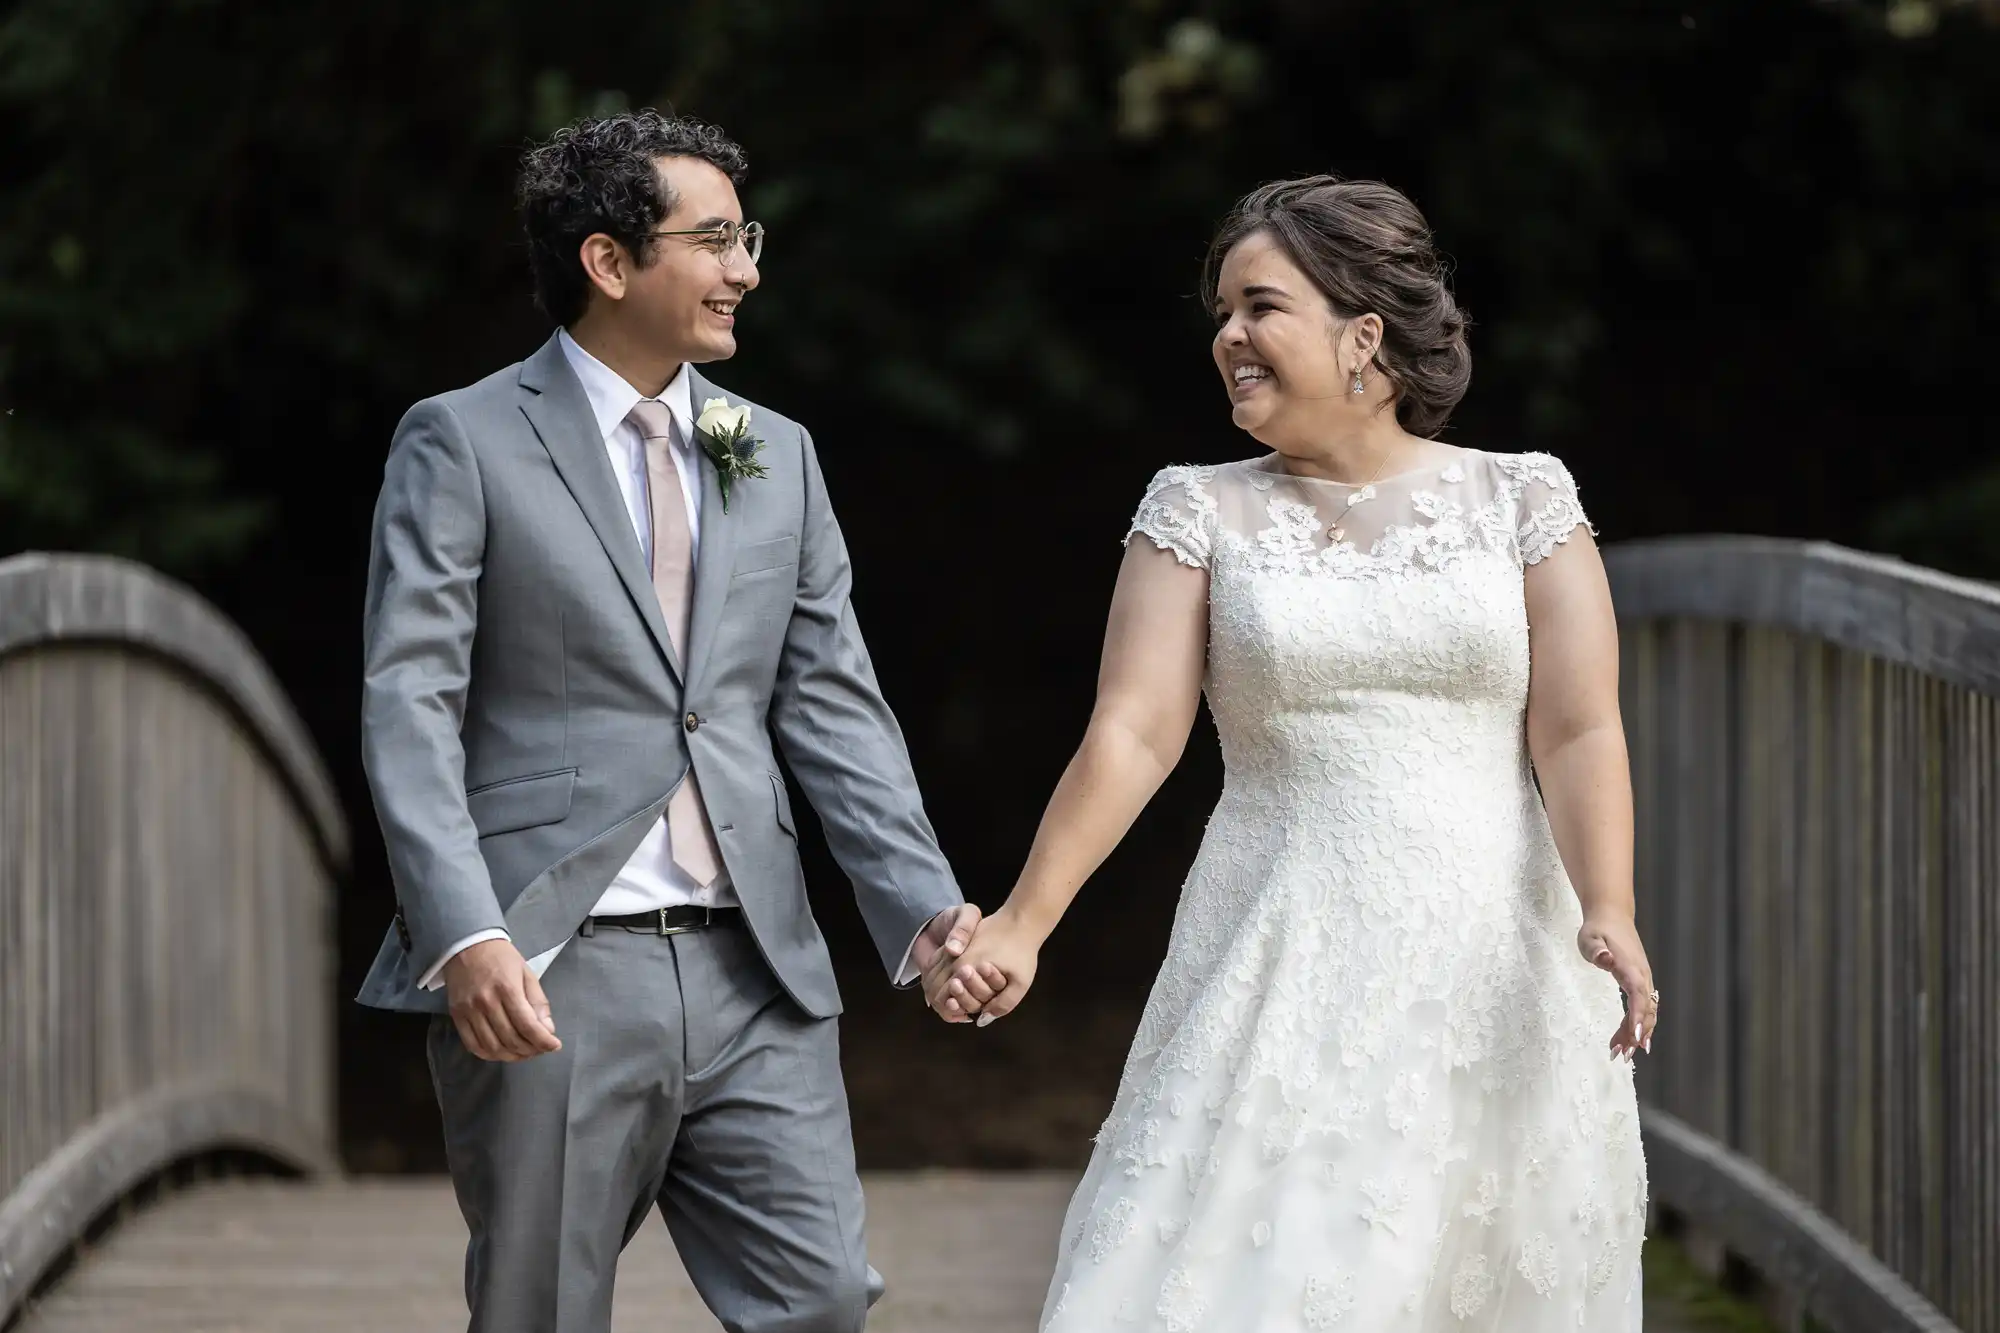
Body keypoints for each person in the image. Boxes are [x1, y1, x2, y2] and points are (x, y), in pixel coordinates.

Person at [928, 176, 1656, 1329]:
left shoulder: (1521, 499)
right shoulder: (1194, 510)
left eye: (1258, 306)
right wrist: (1022, 920)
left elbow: (1576, 727)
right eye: (1219, 312)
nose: (1226, 336)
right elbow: (1132, 730)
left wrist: (1606, 904)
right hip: (1279, 942)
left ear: (1361, 332)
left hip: (1495, 955)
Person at [353, 110, 980, 1333]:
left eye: (747, 237)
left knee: (820, 1302)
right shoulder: (465, 439)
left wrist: (924, 909)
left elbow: (830, 698)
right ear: (608, 262)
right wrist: (465, 930)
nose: (746, 268)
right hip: (551, 966)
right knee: (541, 1309)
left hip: (759, 968)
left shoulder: (770, 451)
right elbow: (408, 697)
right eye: (714, 240)